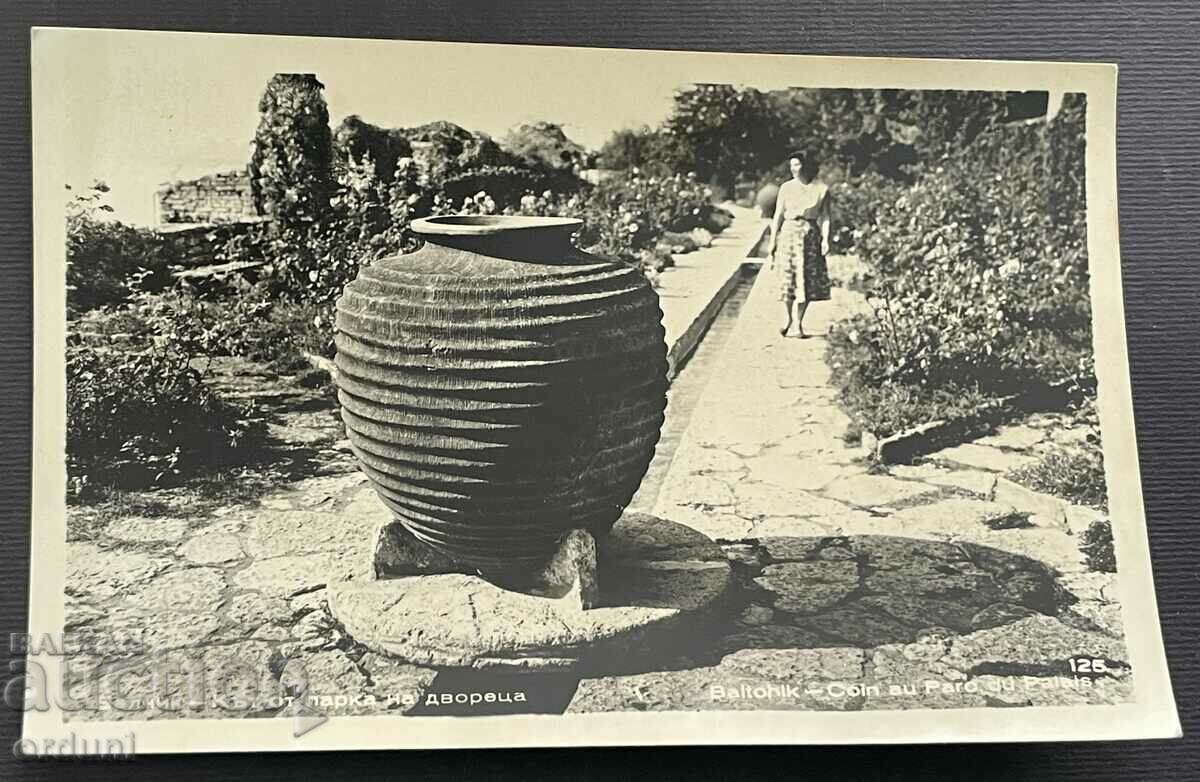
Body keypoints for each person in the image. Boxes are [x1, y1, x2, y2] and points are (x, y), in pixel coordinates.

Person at [767, 150, 832, 338]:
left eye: (797, 164)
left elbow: (826, 217)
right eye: (791, 165)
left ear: (807, 165)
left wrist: (826, 240)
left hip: (810, 236)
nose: (793, 169)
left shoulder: (821, 189)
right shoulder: (786, 188)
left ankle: (799, 323)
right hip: (789, 233)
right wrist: (773, 241)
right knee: (788, 279)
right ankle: (788, 318)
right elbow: (778, 215)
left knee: (807, 280)